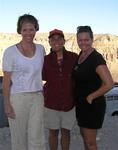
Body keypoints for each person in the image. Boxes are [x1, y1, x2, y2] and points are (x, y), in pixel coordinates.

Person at [2, 14, 46, 150]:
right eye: (24, 29)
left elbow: (44, 73)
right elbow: (6, 81)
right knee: (18, 136)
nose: (28, 33)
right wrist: (7, 104)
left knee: (37, 136)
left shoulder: (40, 49)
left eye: (31, 29)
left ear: (36, 30)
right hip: (18, 98)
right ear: (20, 31)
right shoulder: (10, 52)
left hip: (38, 97)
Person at [72, 26, 113, 150]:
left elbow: (109, 83)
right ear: (77, 40)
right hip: (82, 104)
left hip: (92, 105)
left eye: (86, 40)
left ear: (92, 39)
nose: (83, 43)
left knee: (90, 142)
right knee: (85, 138)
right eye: (80, 40)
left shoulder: (96, 58)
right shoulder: (81, 55)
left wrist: (91, 96)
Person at [42, 29, 78, 150]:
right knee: (53, 133)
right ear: (50, 42)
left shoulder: (74, 57)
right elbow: (39, 76)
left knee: (66, 132)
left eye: (59, 38)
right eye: (53, 39)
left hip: (69, 103)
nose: (56, 41)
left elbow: (80, 76)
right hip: (51, 103)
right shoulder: (45, 60)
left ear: (63, 41)